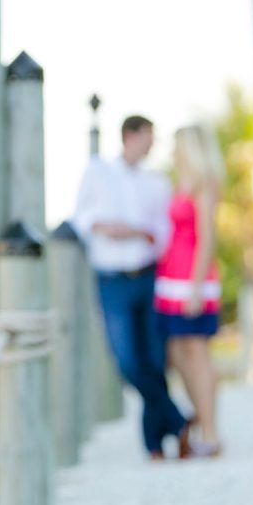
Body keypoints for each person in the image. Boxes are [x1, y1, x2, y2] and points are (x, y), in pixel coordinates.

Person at [72, 115, 190, 460]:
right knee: (126, 361)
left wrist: (137, 232)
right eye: (147, 138)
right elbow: (81, 219)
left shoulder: (157, 182)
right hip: (111, 279)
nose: (151, 145)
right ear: (129, 136)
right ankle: (178, 421)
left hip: (149, 275)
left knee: (154, 360)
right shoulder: (98, 172)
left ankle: (155, 445)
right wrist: (106, 227)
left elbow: (161, 232)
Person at [154, 124, 225, 457]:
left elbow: (207, 239)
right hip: (171, 280)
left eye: (177, 144)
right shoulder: (179, 183)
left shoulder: (205, 184)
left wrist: (196, 287)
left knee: (197, 353)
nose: (173, 150)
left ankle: (210, 432)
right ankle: (199, 416)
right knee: (178, 354)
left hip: (193, 282)